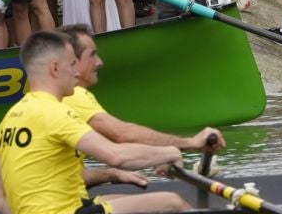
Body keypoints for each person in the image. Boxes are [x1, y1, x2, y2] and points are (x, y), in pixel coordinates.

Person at [0, 30, 188, 214]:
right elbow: (116, 156)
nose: (76, 73)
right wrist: (170, 152)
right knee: (171, 202)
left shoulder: (9, 118)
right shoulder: (55, 112)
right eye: (72, 64)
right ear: (55, 68)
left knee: (114, 200)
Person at [60, 24, 225, 152]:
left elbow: (110, 154)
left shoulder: (62, 96)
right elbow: (122, 134)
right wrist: (190, 142)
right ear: (71, 60)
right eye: (92, 54)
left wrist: (159, 155)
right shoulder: (74, 95)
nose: (99, 62)